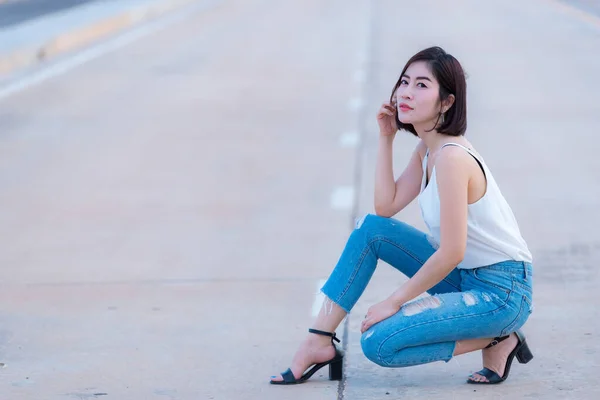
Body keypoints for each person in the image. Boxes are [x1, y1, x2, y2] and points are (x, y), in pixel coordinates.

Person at [270, 46, 534, 386]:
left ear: (447, 102)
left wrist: (393, 302)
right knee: (371, 229)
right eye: (404, 81)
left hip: (502, 291)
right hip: (466, 276)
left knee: (378, 343)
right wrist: (386, 137)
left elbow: (452, 250)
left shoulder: (452, 158)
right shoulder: (428, 148)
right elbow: (386, 206)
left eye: (422, 85)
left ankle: (498, 337)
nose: (406, 92)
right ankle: (318, 339)